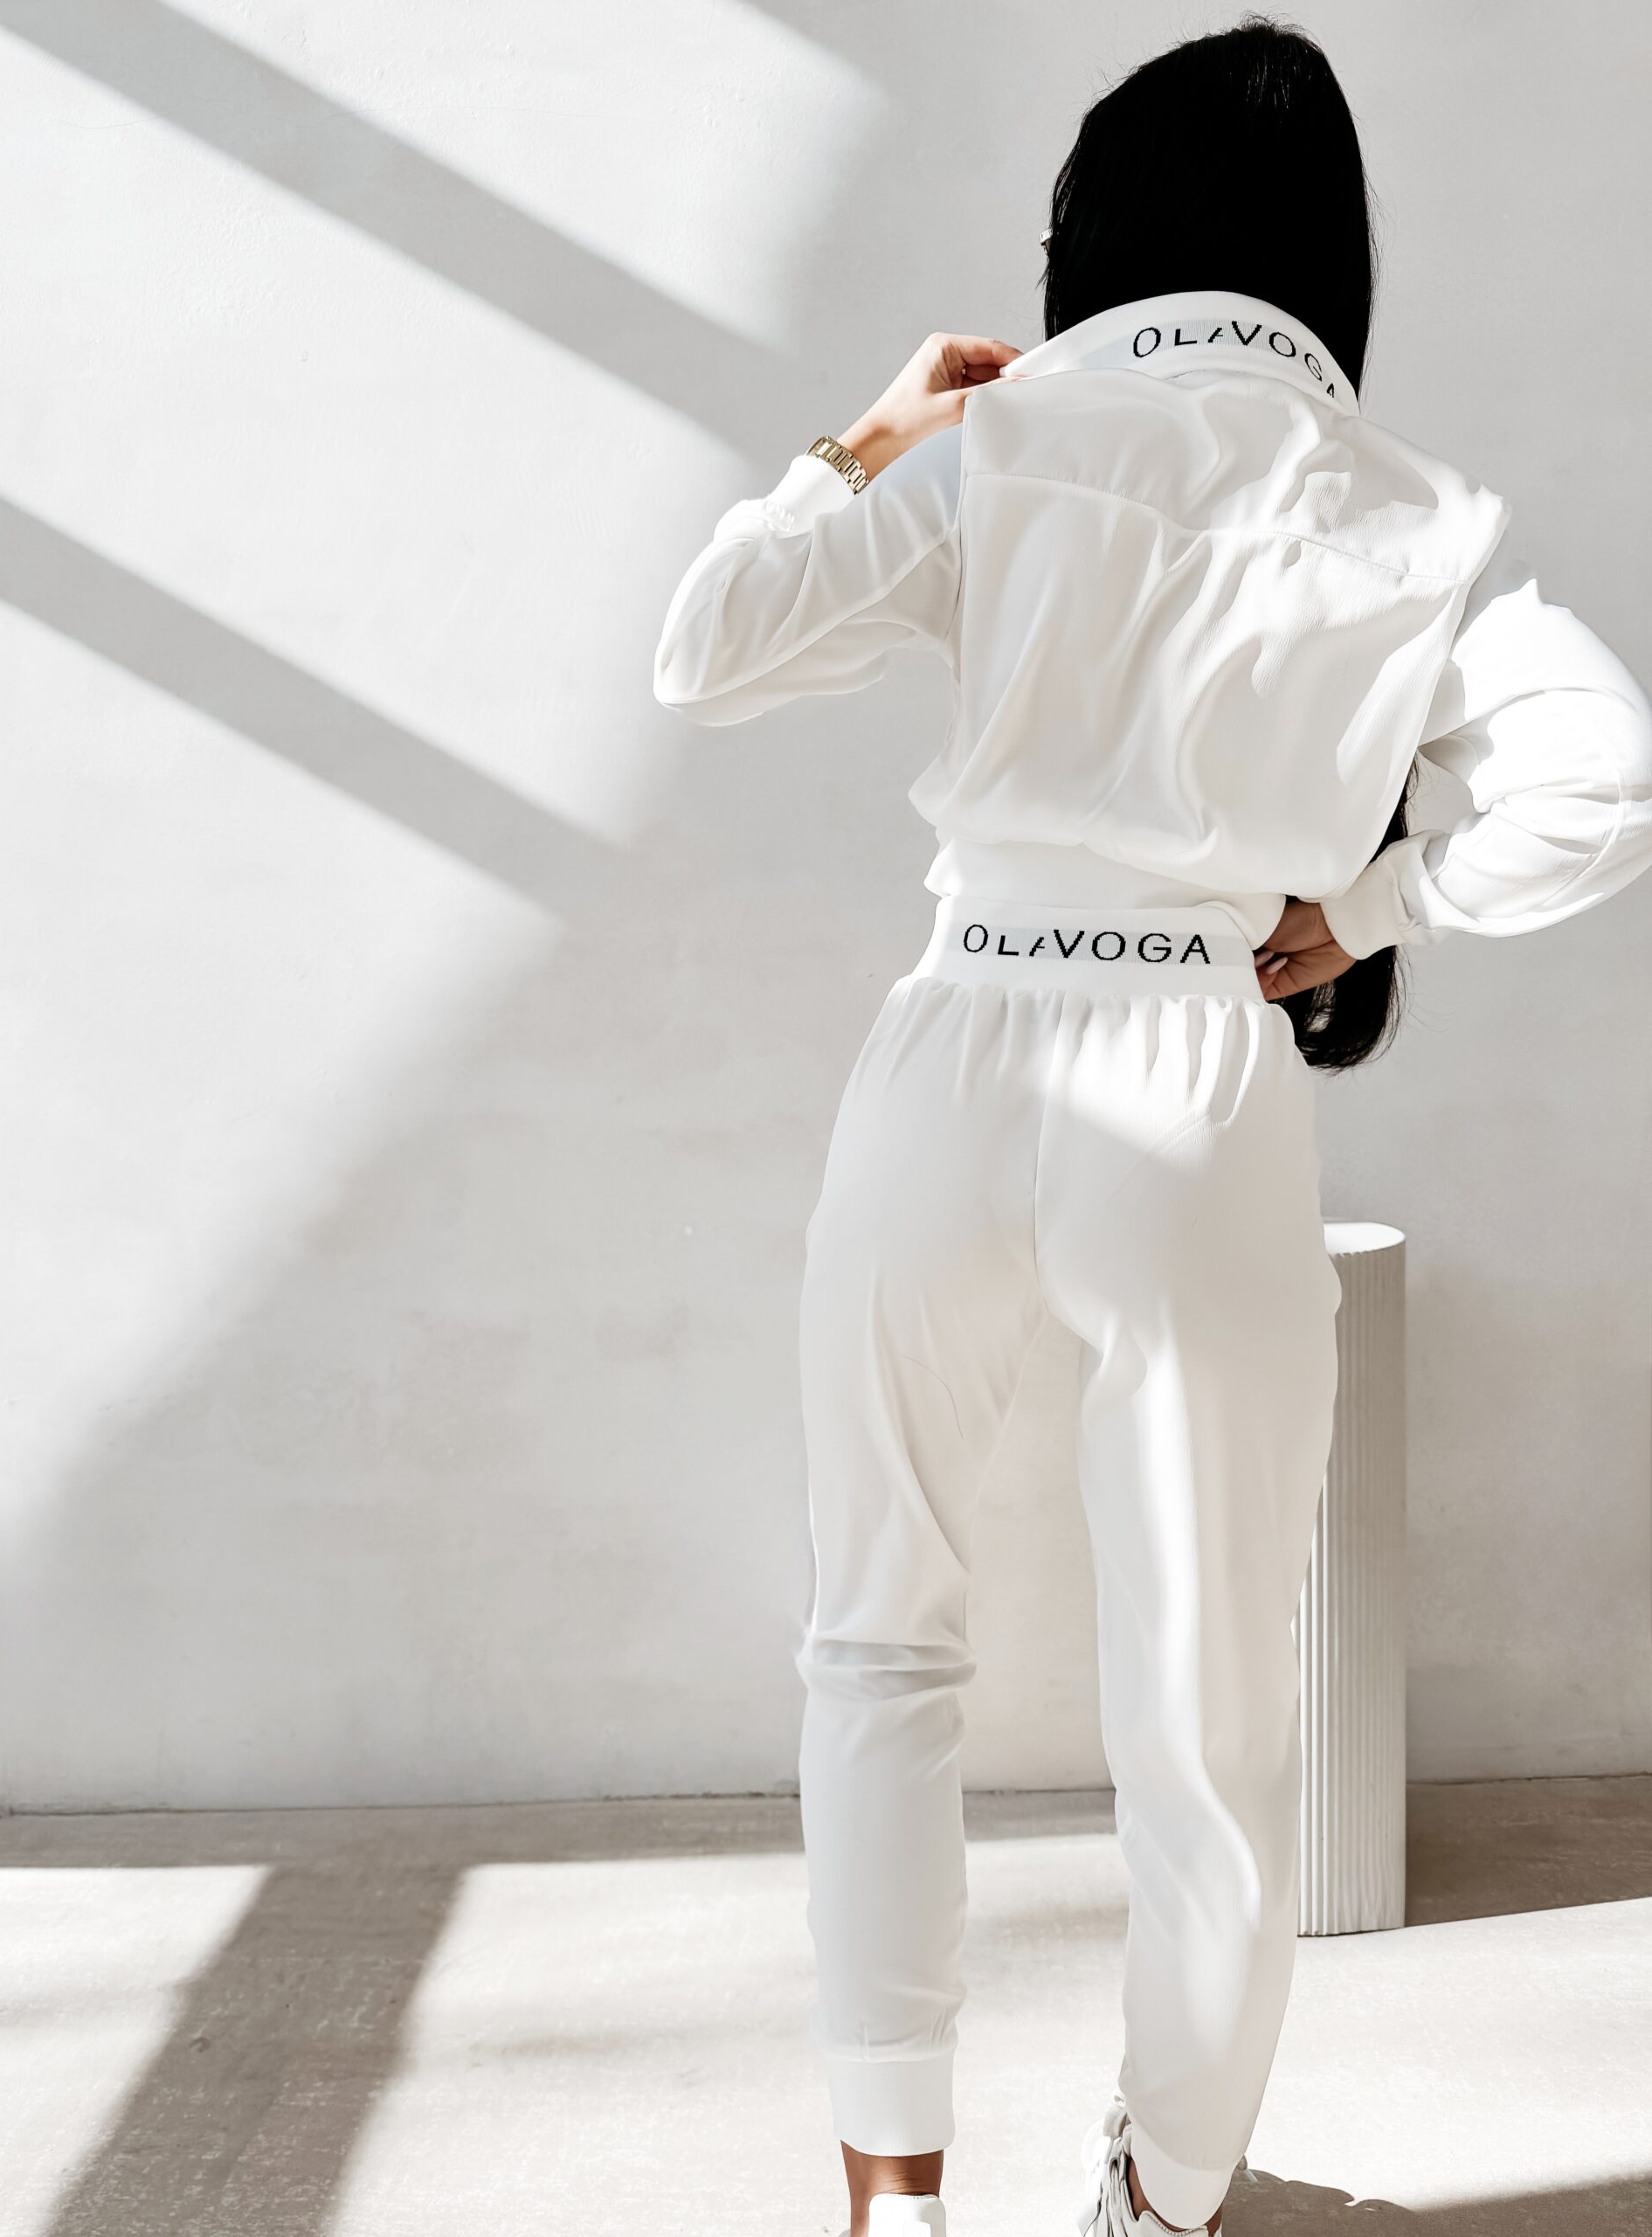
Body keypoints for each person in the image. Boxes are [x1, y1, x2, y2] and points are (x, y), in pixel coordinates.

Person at [652, 19, 1652, 2237]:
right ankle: (1161, 2197)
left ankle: (893, 2203)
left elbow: (705, 650)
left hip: (954, 1037)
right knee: (1210, 1711)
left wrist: (869, 432)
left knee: (876, 1637)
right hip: (1197, 1073)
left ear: (1100, 226)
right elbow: (1609, 781)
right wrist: (1367, 908)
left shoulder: (1008, 445)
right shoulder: (1415, 508)